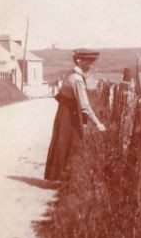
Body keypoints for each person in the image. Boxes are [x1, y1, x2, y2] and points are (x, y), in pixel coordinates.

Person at [44, 49, 107, 182]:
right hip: (70, 116)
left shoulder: (70, 74)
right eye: (88, 62)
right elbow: (85, 106)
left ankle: (61, 177)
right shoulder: (77, 80)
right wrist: (98, 123)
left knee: (62, 143)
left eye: (91, 62)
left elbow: (61, 94)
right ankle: (70, 179)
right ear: (79, 61)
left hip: (64, 113)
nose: (90, 66)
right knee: (74, 144)